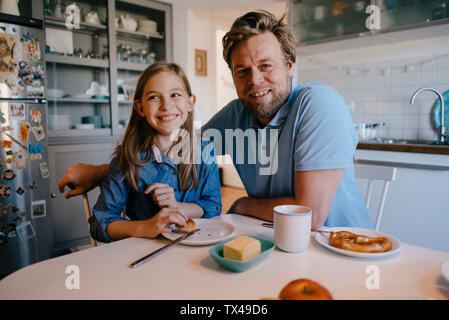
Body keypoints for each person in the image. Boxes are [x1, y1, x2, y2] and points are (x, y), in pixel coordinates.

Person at [59, 10, 372, 230]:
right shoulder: (237, 113)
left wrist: (239, 206)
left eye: (266, 65)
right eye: (242, 71)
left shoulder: (318, 105)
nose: (255, 80)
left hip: (337, 248)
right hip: (269, 237)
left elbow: (310, 215)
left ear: (290, 65)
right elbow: (178, 150)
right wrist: (104, 172)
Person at [86, 62, 221, 242]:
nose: (166, 105)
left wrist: (176, 206)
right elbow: (100, 223)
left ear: (190, 103)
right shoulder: (127, 159)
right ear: (140, 107)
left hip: (196, 247)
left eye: (175, 95)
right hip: (144, 251)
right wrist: (146, 226)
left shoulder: (205, 149)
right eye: (154, 97)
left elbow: (212, 205)